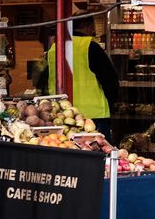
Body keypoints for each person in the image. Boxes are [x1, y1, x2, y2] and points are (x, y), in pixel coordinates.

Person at [43, 15, 119, 143]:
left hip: (61, 115)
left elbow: (44, 81)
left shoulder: (54, 49)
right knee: (99, 154)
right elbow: (110, 80)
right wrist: (112, 103)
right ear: (89, 27)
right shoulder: (91, 46)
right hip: (94, 115)